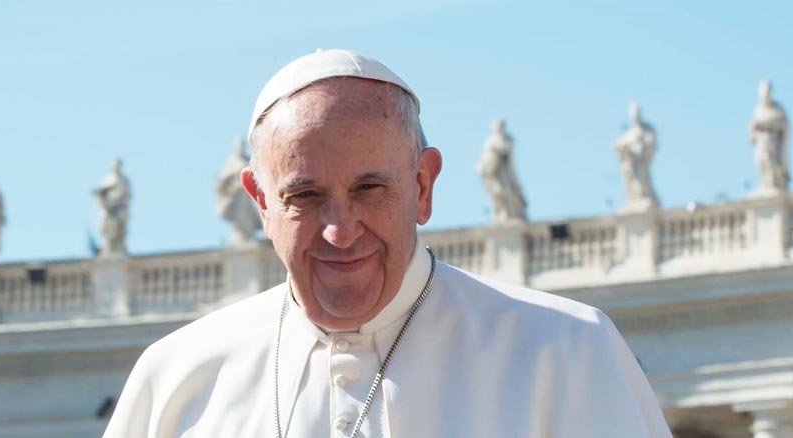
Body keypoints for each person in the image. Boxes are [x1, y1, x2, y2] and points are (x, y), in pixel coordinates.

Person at [104, 49, 671, 437]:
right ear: (261, 204)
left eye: (369, 188)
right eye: (304, 195)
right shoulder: (175, 379)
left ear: (423, 186)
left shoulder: (566, 352)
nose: (340, 230)